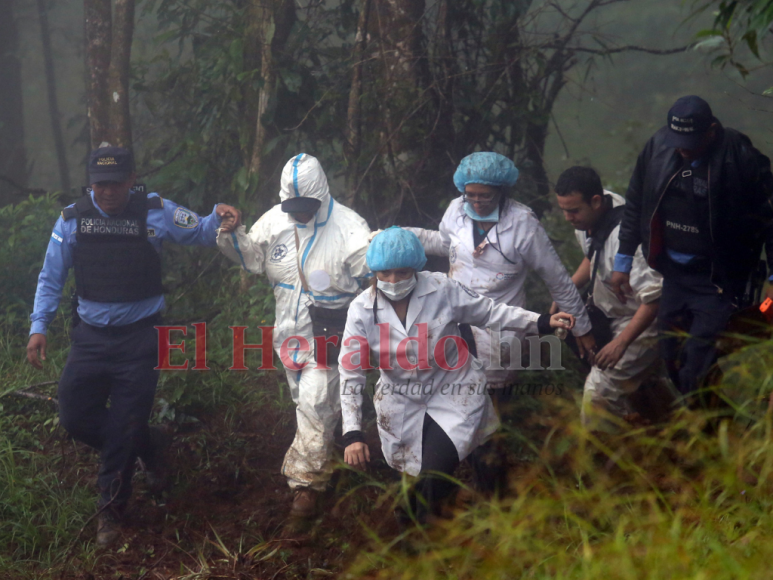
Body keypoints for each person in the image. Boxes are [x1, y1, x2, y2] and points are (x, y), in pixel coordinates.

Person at [26, 146, 239, 546]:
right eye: (99, 184)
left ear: (130, 180)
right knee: (74, 415)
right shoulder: (72, 221)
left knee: (124, 422)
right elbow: (50, 277)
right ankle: (149, 441)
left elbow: (200, 230)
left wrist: (221, 217)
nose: (107, 192)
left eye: (115, 184)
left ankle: (111, 511)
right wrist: (40, 327)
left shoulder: (154, 210)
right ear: (90, 184)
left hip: (141, 339)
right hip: (89, 338)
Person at [339, 227, 575, 524]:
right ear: (374, 272)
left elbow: (489, 312)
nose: (394, 281)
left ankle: (411, 529)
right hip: (400, 399)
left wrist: (540, 321)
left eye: (402, 272)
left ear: (416, 268)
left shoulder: (442, 289)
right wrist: (353, 433)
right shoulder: (361, 309)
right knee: (416, 472)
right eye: (385, 273)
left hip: (453, 389)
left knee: (437, 467)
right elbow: (351, 370)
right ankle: (425, 519)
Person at [217, 153, 371, 521]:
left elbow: (376, 282)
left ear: (322, 195)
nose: (300, 213)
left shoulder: (350, 228)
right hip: (287, 329)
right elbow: (251, 259)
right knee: (307, 402)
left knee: (316, 403)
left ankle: (304, 490)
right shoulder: (275, 220)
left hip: (334, 330)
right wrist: (232, 232)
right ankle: (331, 459)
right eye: (293, 207)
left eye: (307, 207)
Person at [610, 96, 773, 397]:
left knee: (696, 368)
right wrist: (622, 262)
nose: (683, 148)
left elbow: (770, 216)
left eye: (691, 141)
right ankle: (717, 421)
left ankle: (714, 430)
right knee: (671, 359)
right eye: (677, 140)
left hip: (718, 281)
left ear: (711, 131)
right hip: (674, 277)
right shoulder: (658, 147)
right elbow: (636, 204)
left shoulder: (739, 156)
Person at [406, 152, 595, 387]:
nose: (476, 203)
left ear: (501, 191)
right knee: (448, 385)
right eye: (471, 195)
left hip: (500, 322)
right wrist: (404, 237)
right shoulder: (456, 210)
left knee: (491, 388)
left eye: (485, 196)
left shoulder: (522, 223)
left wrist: (583, 329)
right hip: (453, 313)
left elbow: (557, 280)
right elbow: (446, 244)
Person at [554, 166, 670, 423]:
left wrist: (621, 343)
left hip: (642, 321)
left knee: (599, 391)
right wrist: (567, 290)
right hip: (610, 315)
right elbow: (593, 256)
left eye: (573, 210)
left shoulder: (628, 238)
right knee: (641, 389)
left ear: (596, 202)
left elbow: (655, 299)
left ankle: (600, 458)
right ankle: (678, 437)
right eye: (564, 209)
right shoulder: (594, 213)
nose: (567, 217)